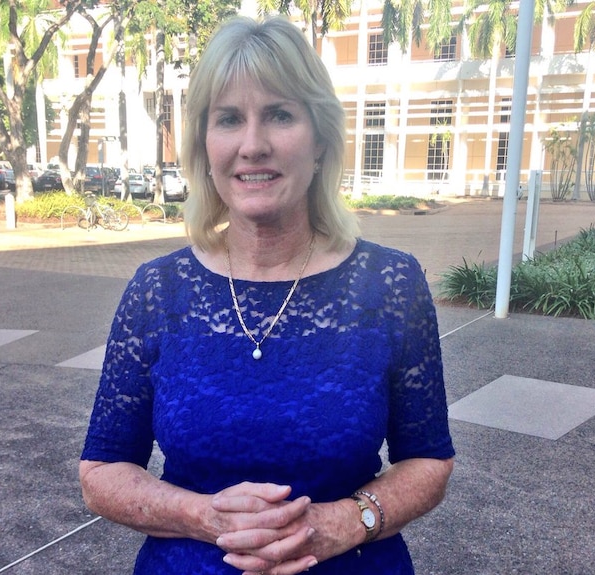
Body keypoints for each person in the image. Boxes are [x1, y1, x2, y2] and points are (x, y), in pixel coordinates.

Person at [79, 15, 455, 575]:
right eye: (229, 119)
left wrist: (344, 523)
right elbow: (102, 471)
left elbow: (427, 459)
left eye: (279, 115)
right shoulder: (158, 291)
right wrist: (201, 515)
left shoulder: (390, 286)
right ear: (206, 146)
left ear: (321, 139)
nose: (253, 145)